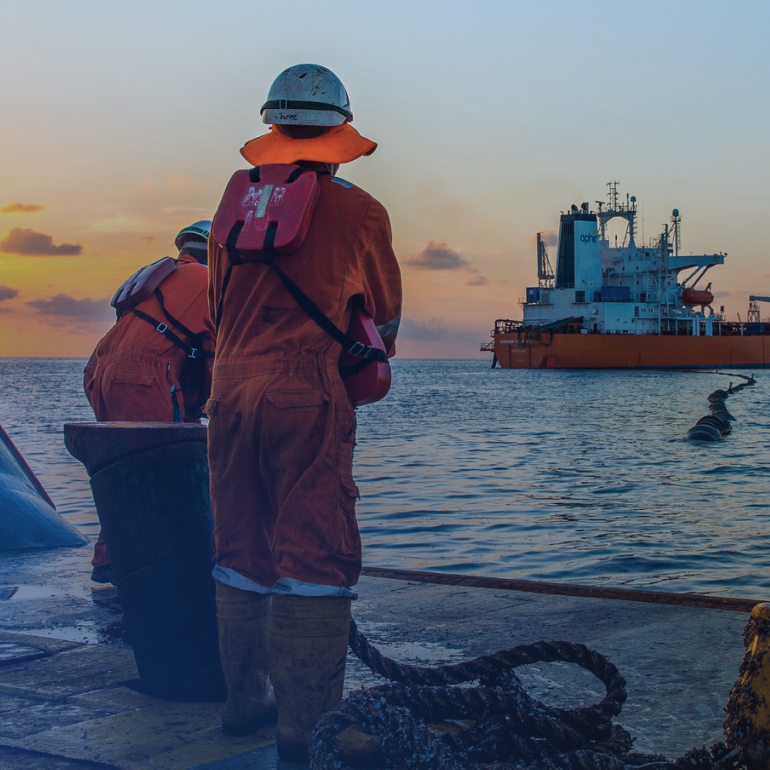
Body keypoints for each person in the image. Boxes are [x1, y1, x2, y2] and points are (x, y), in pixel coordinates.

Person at [206, 64, 402, 761]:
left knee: (239, 548)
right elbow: (382, 311)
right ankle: (304, 730)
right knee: (313, 553)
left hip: (227, 388)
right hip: (303, 388)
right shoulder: (359, 210)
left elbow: (215, 307)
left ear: (273, 125)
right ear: (337, 130)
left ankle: (242, 705)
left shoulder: (233, 205)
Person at [84, 221, 216, 583]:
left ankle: (110, 561)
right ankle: (158, 568)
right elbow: (221, 355)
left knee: (126, 471)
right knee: (160, 472)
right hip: (142, 378)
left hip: (100, 371)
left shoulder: (162, 277)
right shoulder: (209, 283)